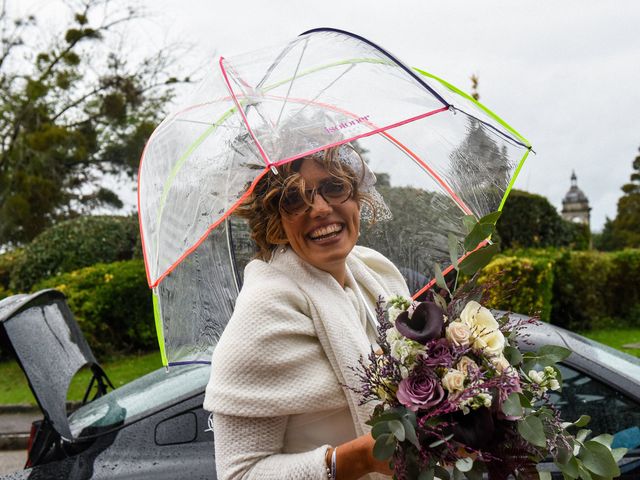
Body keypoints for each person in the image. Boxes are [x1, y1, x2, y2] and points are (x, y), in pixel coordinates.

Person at [203, 142, 410, 480]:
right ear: (274, 220)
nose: (320, 208)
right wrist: (358, 459)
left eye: (334, 187)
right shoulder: (263, 313)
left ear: (357, 196)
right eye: (294, 199)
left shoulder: (378, 275)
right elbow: (239, 474)